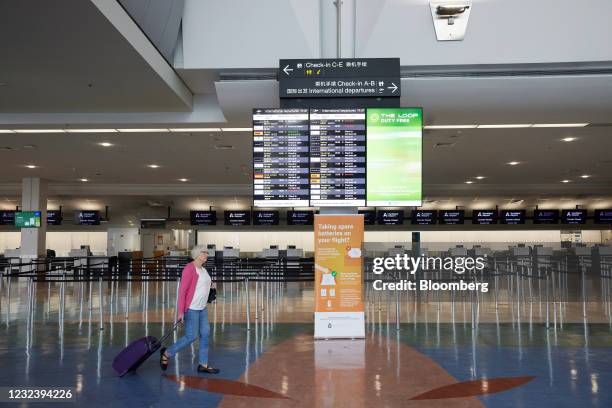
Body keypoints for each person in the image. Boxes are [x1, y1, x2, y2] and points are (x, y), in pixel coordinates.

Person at [160, 245, 220, 374]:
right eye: (205, 253)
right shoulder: (189, 269)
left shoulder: (203, 270)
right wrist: (181, 312)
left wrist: (212, 285)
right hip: (191, 308)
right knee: (191, 336)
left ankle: (203, 364)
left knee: (205, 334)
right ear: (198, 254)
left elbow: (203, 284)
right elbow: (182, 292)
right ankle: (166, 353)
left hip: (202, 308)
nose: (207, 255)